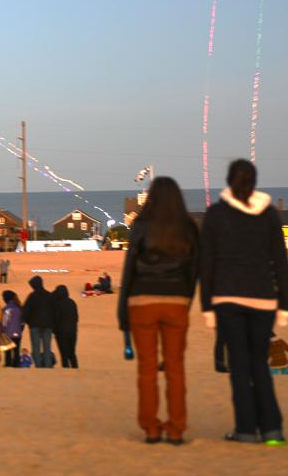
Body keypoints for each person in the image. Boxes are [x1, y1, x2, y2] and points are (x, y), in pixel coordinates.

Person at [200, 159, 288, 446]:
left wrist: (207, 306)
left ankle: (246, 429)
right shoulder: (268, 215)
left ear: (228, 181)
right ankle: (272, 430)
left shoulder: (215, 214)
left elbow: (207, 264)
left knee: (239, 366)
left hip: (227, 299)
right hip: (263, 299)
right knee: (259, 366)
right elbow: (280, 262)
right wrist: (285, 304)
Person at [118, 175, 198, 445]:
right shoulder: (188, 227)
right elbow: (194, 270)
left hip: (142, 302)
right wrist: (186, 299)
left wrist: (122, 311)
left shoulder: (141, 225)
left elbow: (129, 270)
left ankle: (151, 428)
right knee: (175, 368)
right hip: (176, 301)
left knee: (147, 369)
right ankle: (176, 429)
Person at [22, 276, 54, 368]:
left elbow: (25, 312)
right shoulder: (49, 295)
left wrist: (29, 323)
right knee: (47, 348)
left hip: (35, 326)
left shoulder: (32, 296)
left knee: (36, 348)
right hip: (47, 325)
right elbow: (54, 310)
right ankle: (47, 366)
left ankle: (39, 366)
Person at [53, 285, 79, 368]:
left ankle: (66, 370)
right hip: (72, 331)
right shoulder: (72, 302)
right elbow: (76, 317)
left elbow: (56, 318)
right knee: (72, 353)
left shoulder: (58, 304)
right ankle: (75, 368)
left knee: (64, 354)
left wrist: (54, 330)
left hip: (61, 333)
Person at [0, 290, 24, 368]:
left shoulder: (6, 309)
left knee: (8, 351)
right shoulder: (19, 308)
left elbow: (4, 323)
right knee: (16, 350)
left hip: (7, 333)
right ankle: (16, 363)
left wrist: (1, 331)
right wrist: (20, 330)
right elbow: (22, 322)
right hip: (18, 332)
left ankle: (8, 363)